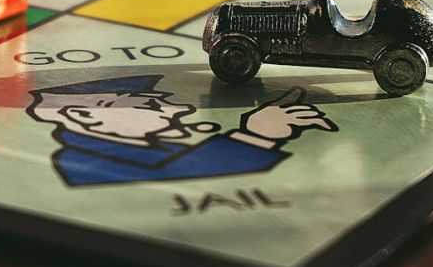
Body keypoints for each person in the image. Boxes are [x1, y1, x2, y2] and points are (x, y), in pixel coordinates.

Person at [26, 75, 337, 186]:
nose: (182, 109)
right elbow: (171, 181)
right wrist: (258, 137)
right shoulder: (82, 163)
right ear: (86, 116)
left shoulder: (149, 151)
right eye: (150, 106)